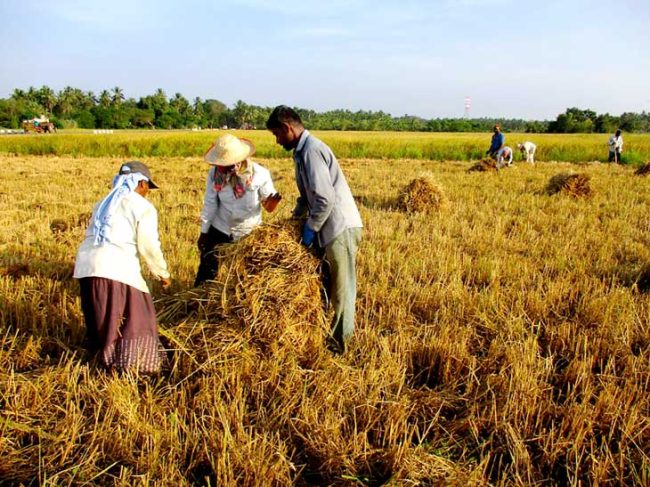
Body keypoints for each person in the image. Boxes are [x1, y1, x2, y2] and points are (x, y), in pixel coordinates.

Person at [266, 105, 363, 354]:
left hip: (339, 227)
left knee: (342, 289)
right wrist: (295, 218)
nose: (277, 141)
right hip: (328, 227)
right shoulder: (301, 153)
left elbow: (324, 199)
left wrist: (310, 228)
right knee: (327, 286)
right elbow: (307, 196)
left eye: (277, 134)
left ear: (288, 128)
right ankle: (324, 335)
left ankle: (340, 345)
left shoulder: (312, 150)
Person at [73, 161, 171, 374]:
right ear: (142, 183)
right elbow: (149, 245)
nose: (148, 193)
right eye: (148, 188)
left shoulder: (103, 203)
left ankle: (101, 363)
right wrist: (163, 273)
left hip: (87, 268)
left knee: (102, 320)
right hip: (116, 270)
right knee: (136, 318)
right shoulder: (143, 207)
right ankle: (134, 367)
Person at [194, 134, 281, 286]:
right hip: (220, 228)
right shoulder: (215, 174)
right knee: (207, 273)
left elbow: (268, 208)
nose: (225, 167)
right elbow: (210, 203)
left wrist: (271, 204)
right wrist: (204, 232)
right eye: (222, 164)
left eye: (228, 163)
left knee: (245, 278)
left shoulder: (260, 174)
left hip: (247, 232)